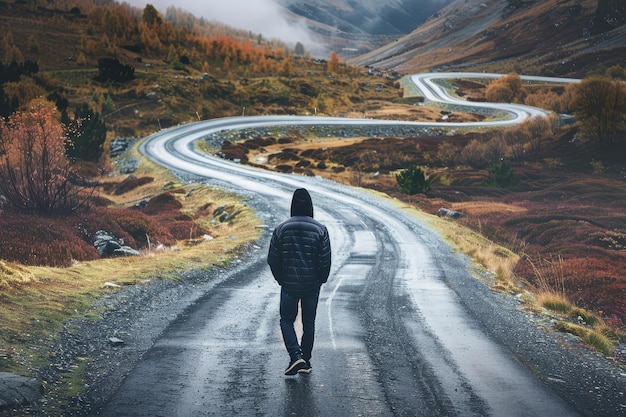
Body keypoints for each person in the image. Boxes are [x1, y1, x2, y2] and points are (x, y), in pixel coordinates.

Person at [267, 188, 332, 375]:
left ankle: (296, 356)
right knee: (308, 321)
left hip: (289, 284)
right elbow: (325, 259)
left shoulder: (281, 228)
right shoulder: (321, 229)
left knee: (286, 320)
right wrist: (321, 279)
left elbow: (273, 259)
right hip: (312, 285)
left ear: (293, 206)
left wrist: (281, 279)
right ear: (310, 206)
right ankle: (307, 360)